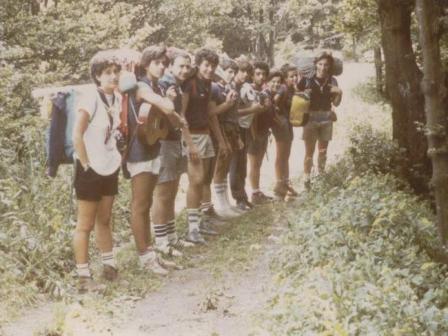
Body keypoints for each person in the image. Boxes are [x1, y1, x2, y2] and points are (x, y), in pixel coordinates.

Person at [126, 45, 185, 275]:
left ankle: (150, 253)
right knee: (140, 204)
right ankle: (144, 257)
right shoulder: (141, 85)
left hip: (152, 146)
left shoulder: (156, 85)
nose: (161, 66)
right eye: (157, 62)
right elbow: (167, 106)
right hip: (138, 150)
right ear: (146, 63)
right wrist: (167, 100)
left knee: (147, 202)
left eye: (163, 63)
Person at [72, 50, 122, 292]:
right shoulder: (90, 97)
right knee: (85, 224)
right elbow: (76, 135)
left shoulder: (117, 98)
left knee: (104, 219)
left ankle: (109, 266)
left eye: (116, 72)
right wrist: (85, 165)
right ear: (97, 76)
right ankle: (83, 278)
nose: (113, 77)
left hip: (109, 165)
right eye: (107, 73)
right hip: (89, 167)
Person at [152, 49, 195, 257]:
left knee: (171, 191)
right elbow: (166, 116)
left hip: (174, 141)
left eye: (188, 66)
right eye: (181, 66)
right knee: (163, 192)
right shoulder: (163, 84)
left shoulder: (177, 85)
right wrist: (178, 120)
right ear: (171, 66)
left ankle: (171, 237)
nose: (185, 70)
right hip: (163, 143)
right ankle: (161, 241)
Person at [182, 48, 227, 244]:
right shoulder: (189, 84)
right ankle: (192, 228)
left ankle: (198, 223)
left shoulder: (208, 84)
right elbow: (181, 115)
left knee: (204, 180)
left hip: (205, 134)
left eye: (212, 66)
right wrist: (190, 143)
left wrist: (221, 141)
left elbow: (211, 114)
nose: (209, 69)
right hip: (192, 135)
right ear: (199, 64)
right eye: (206, 65)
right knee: (196, 180)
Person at [297, 52, 342, 189]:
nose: (323, 67)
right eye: (320, 64)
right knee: (309, 153)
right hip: (310, 118)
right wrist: (305, 95)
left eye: (326, 65)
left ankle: (321, 177)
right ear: (315, 64)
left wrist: (339, 92)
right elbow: (297, 99)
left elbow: (337, 103)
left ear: (330, 66)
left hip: (326, 118)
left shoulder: (332, 81)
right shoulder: (306, 80)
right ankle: (306, 179)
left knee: (323, 151)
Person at [210, 58, 244, 217]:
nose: (232, 75)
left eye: (233, 72)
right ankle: (221, 204)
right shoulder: (215, 87)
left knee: (225, 166)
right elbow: (213, 113)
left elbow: (234, 114)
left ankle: (226, 202)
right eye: (229, 71)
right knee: (220, 165)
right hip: (220, 128)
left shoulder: (229, 88)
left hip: (231, 128)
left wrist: (237, 135)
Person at [245, 61, 273, 205]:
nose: (261, 77)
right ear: (252, 75)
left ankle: (257, 190)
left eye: (264, 74)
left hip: (263, 130)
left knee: (259, 163)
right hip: (252, 132)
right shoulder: (249, 90)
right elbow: (253, 112)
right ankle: (254, 193)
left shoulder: (265, 91)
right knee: (254, 163)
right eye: (258, 74)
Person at [270, 65, 299, 200]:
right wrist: (277, 118)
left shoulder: (292, 88)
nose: (294, 78)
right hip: (281, 124)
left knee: (286, 154)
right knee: (281, 155)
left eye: (295, 76)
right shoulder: (282, 88)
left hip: (288, 123)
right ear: (285, 78)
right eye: (291, 76)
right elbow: (273, 102)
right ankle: (279, 183)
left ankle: (286, 182)